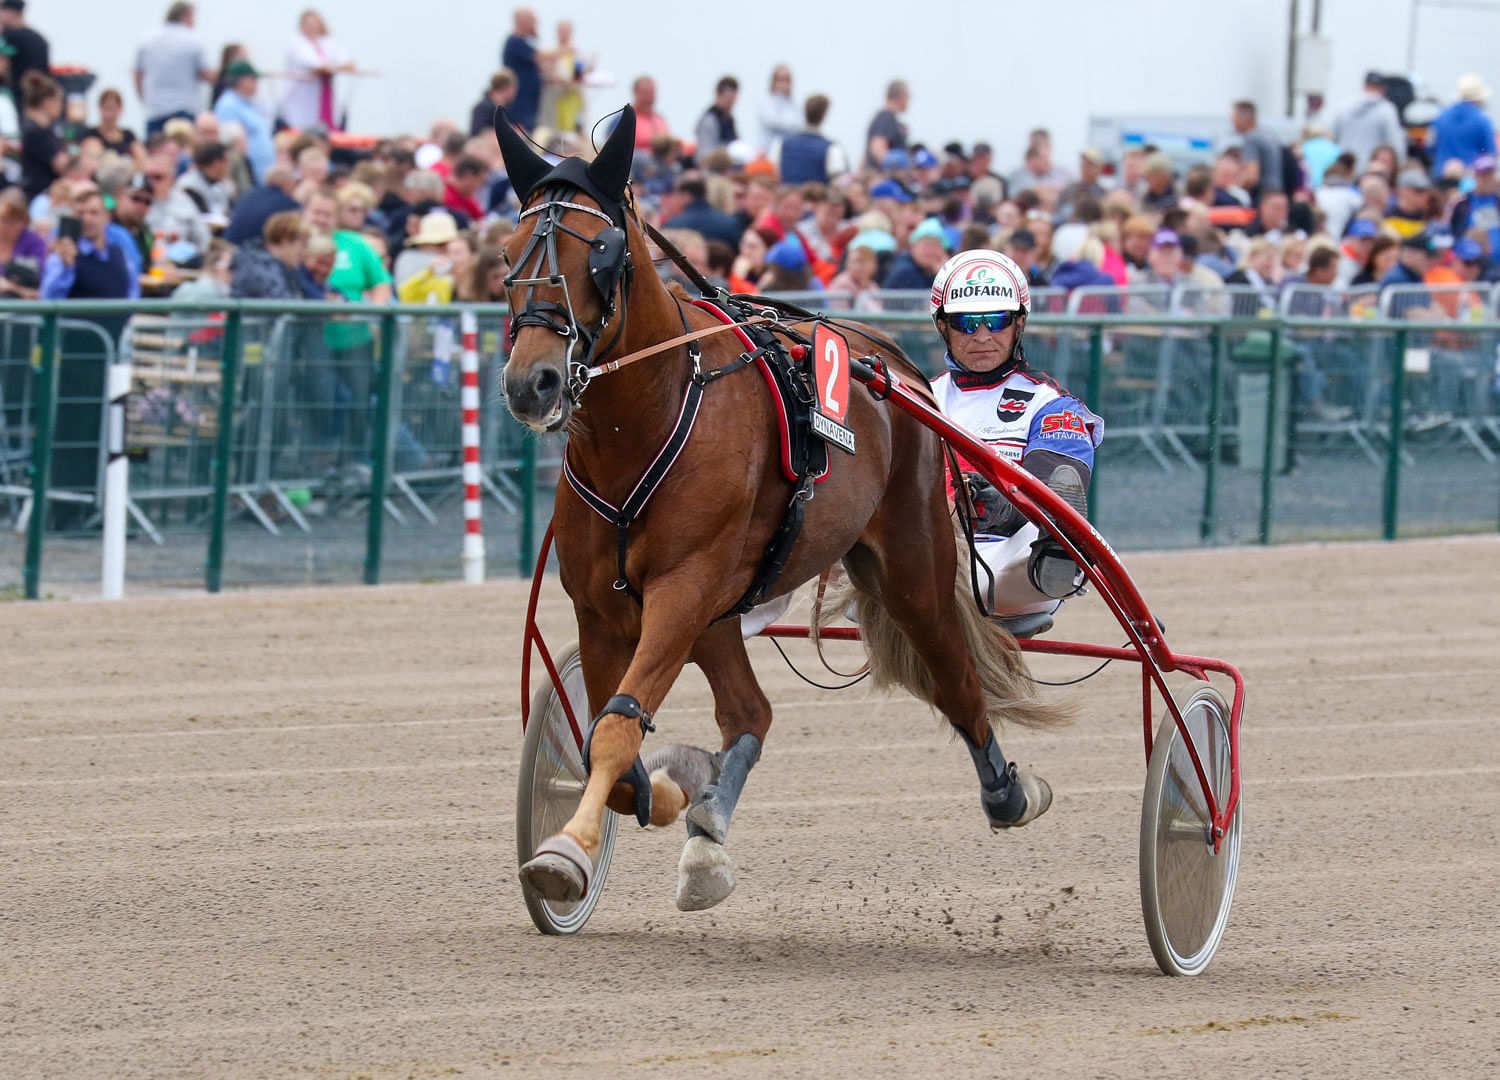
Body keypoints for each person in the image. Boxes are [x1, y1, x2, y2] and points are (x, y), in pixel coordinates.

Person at [927, 248, 1102, 622]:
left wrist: (1008, 502)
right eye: (966, 322)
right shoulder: (919, 397)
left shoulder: (1050, 403)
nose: (982, 335)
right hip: (928, 544)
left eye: (997, 319)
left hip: (1009, 550)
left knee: (991, 572)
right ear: (943, 326)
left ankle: (1056, 557)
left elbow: (1059, 474)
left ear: (1018, 324)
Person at [134, 2, 211, 136]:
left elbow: (138, 74)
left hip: (155, 109)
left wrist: (144, 99)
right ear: (186, 15)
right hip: (184, 109)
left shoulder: (147, 38)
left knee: (155, 151)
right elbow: (205, 73)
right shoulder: (193, 39)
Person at [281, 9, 354, 131]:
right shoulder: (296, 43)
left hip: (326, 96)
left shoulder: (328, 42)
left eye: (314, 24)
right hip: (302, 102)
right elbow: (314, 63)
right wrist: (331, 67)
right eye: (308, 24)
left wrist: (328, 67)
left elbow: (348, 63)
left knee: (329, 129)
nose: (312, 27)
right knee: (304, 130)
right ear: (302, 26)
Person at [211, 60, 273, 183]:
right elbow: (231, 141)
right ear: (241, 80)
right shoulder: (228, 105)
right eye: (253, 79)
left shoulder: (248, 103)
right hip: (247, 174)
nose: (257, 83)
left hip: (261, 173)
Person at [1333, 72, 1405, 173]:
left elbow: (1333, 137)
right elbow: (1395, 142)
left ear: (1364, 86)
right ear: (1383, 89)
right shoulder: (1387, 110)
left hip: (1346, 167)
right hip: (1372, 169)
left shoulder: (1343, 107)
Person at [231, 209, 311, 299]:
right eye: (303, 244)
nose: (305, 252)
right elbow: (285, 307)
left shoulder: (287, 270)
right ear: (286, 242)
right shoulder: (257, 268)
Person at [769, 94, 846, 185]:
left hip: (786, 196)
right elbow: (837, 182)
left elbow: (773, 174)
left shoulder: (781, 143)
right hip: (816, 198)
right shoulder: (832, 148)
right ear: (824, 115)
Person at [500, 7, 555, 132]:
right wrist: (564, 50)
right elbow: (539, 56)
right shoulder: (515, 41)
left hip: (530, 103)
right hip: (520, 103)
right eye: (533, 21)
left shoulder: (526, 42)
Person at [1430, 75, 1497, 176]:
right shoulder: (1483, 120)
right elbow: (1491, 154)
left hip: (1442, 176)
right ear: (1479, 98)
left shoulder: (1440, 117)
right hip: (1470, 180)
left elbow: (1430, 148)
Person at [18, 72, 64, 201]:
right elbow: (60, 164)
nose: (61, 107)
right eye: (59, 101)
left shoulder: (45, 131)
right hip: (39, 196)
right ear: (48, 102)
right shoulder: (34, 132)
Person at [1231, 99, 1282, 198]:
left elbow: (1251, 176)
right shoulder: (1269, 135)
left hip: (1262, 194)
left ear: (1244, 118)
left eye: (1234, 117)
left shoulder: (1251, 139)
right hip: (1276, 191)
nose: (1232, 121)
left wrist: (1231, 189)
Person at [0, 186, 45, 297]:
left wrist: (9, 287)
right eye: (2, 219)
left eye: (13, 221)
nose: (5, 226)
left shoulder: (34, 242)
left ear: (25, 222)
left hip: (23, 311)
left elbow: (38, 293)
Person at [881, 216, 949, 289]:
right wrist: (943, 277)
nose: (931, 251)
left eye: (936, 246)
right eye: (927, 245)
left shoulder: (928, 271)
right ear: (912, 247)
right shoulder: (905, 271)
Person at [0, 0, 47, 94]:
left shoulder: (9, 37)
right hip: (36, 96)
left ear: (10, 13)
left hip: (15, 95)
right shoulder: (39, 39)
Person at [88, 88, 142, 164]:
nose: (110, 114)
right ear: (100, 108)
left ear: (120, 109)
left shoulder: (128, 135)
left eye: (114, 109)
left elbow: (142, 159)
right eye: (107, 108)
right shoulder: (91, 134)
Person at [865, 79, 909, 171]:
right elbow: (877, 147)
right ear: (903, 95)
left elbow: (867, 154)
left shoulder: (881, 117)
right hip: (883, 176)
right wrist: (895, 170)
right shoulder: (887, 117)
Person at [757, 64, 800, 151]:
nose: (784, 84)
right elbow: (773, 121)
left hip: (788, 152)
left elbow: (801, 124)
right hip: (768, 151)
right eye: (780, 80)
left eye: (787, 80)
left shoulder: (794, 104)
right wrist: (793, 124)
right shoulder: (765, 100)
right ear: (773, 81)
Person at [695, 76, 738, 157]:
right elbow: (705, 154)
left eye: (733, 101)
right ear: (718, 95)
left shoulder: (729, 120)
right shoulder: (709, 120)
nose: (731, 105)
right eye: (728, 100)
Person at [470, 69, 516, 137]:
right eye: (513, 89)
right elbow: (478, 132)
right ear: (506, 88)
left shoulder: (503, 109)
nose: (514, 93)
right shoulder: (482, 107)